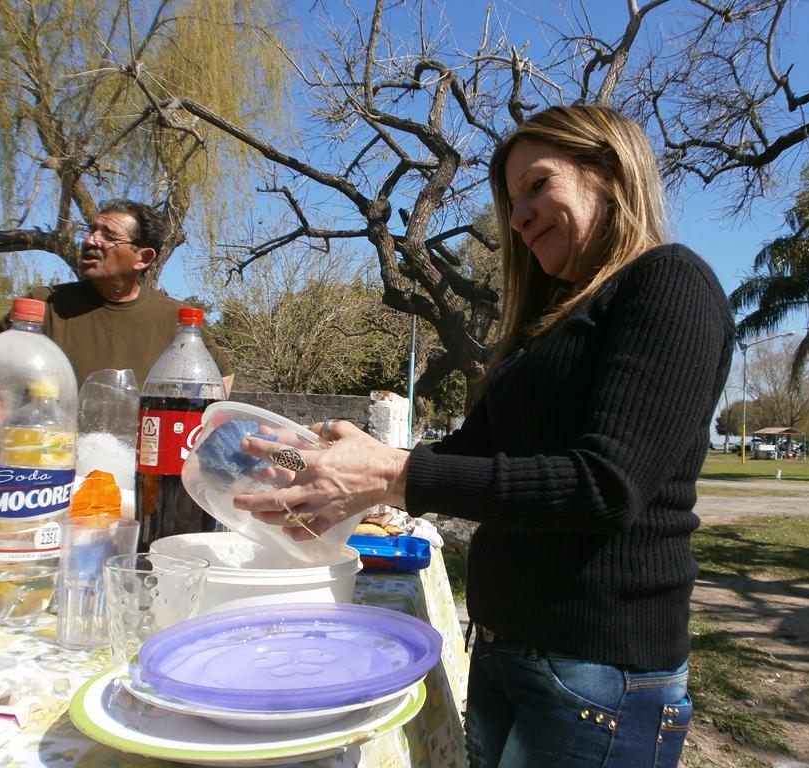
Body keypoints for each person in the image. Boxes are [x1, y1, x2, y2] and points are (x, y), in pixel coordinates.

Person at [234, 105, 735, 768]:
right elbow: (467, 456)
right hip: (506, 651)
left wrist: (388, 474)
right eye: (511, 201)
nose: (519, 216)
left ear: (609, 171)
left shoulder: (668, 283)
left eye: (538, 185)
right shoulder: (548, 327)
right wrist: (335, 467)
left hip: (597, 672)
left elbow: (605, 486)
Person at [0, 198, 233, 394]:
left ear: (143, 258)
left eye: (108, 235)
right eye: (92, 230)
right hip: (51, 449)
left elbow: (222, 375)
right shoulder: (43, 305)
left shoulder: (176, 318)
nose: (90, 241)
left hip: (142, 450)